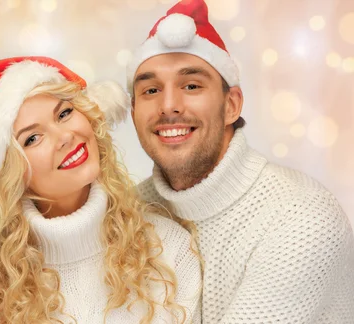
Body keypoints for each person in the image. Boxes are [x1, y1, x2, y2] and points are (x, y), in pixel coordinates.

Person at [126, 0, 354, 323]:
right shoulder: (126, 217)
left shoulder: (302, 218)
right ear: (133, 112)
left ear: (232, 105)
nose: (169, 106)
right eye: (150, 90)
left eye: (191, 85)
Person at [0, 56, 202, 323]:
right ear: (10, 175)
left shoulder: (167, 249)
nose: (65, 137)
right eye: (32, 138)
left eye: (64, 114)